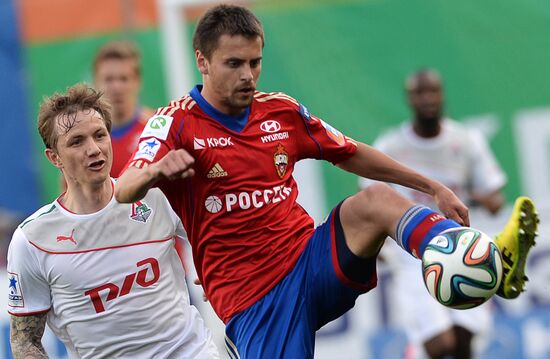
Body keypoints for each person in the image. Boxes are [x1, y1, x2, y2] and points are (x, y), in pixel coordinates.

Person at [114, 5, 539, 358]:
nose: (248, 74)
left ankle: (485, 260)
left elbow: (350, 152)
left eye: (255, 62)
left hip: (310, 260)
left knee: (374, 201)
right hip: (254, 300)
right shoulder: (174, 122)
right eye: (233, 64)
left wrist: (433, 187)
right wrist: (156, 171)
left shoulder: (279, 111)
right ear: (202, 61)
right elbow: (125, 188)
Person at [7, 84, 219, 358]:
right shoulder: (33, 239)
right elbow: (26, 341)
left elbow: (220, 237)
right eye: (77, 141)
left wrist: (216, 264)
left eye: (99, 135)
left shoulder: (156, 197)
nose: (94, 149)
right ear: (54, 157)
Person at [359, 68, 507, 359]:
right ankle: (417, 349)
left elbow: (495, 198)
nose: (427, 99)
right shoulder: (391, 146)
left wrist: (468, 197)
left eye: (432, 91)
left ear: (442, 95)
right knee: (440, 346)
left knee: (464, 342)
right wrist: (373, 245)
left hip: (464, 247)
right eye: (419, 93)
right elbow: (370, 199)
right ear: (409, 99)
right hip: (413, 252)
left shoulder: (466, 140)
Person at [93, 40, 154, 177]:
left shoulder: (157, 129)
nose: (117, 87)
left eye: (124, 79)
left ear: (138, 82)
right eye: (109, 79)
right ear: (96, 82)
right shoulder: (86, 140)